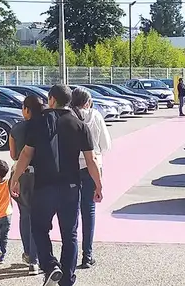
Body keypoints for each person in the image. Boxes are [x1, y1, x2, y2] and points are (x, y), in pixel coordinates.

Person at [10, 84, 103, 286]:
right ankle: (67, 279)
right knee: (69, 235)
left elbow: (26, 154)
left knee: (38, 228)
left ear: (51, 99)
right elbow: (91, 160)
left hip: (44, 186)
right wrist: (98, 185)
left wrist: (15, 178)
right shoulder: (79, 125)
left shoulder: (38, 122)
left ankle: (50, 266)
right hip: (71, 187)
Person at [69, 87, 112, 269]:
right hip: (92, 166)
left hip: (70, 168)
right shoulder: (96, 116)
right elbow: (106, 145)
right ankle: (88, 255)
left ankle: (71, 254)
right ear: (88, 101)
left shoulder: (68, 117)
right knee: (89, 210)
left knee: (71, 212)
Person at [9, 95, 43, 275]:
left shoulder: (16, 128)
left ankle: (29, 255)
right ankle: (36, 260)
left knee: (25, 216)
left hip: (21, 176)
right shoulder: (46, 125)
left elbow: (14, 155)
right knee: (38, 217)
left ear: (27, 110)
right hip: (42, 176)